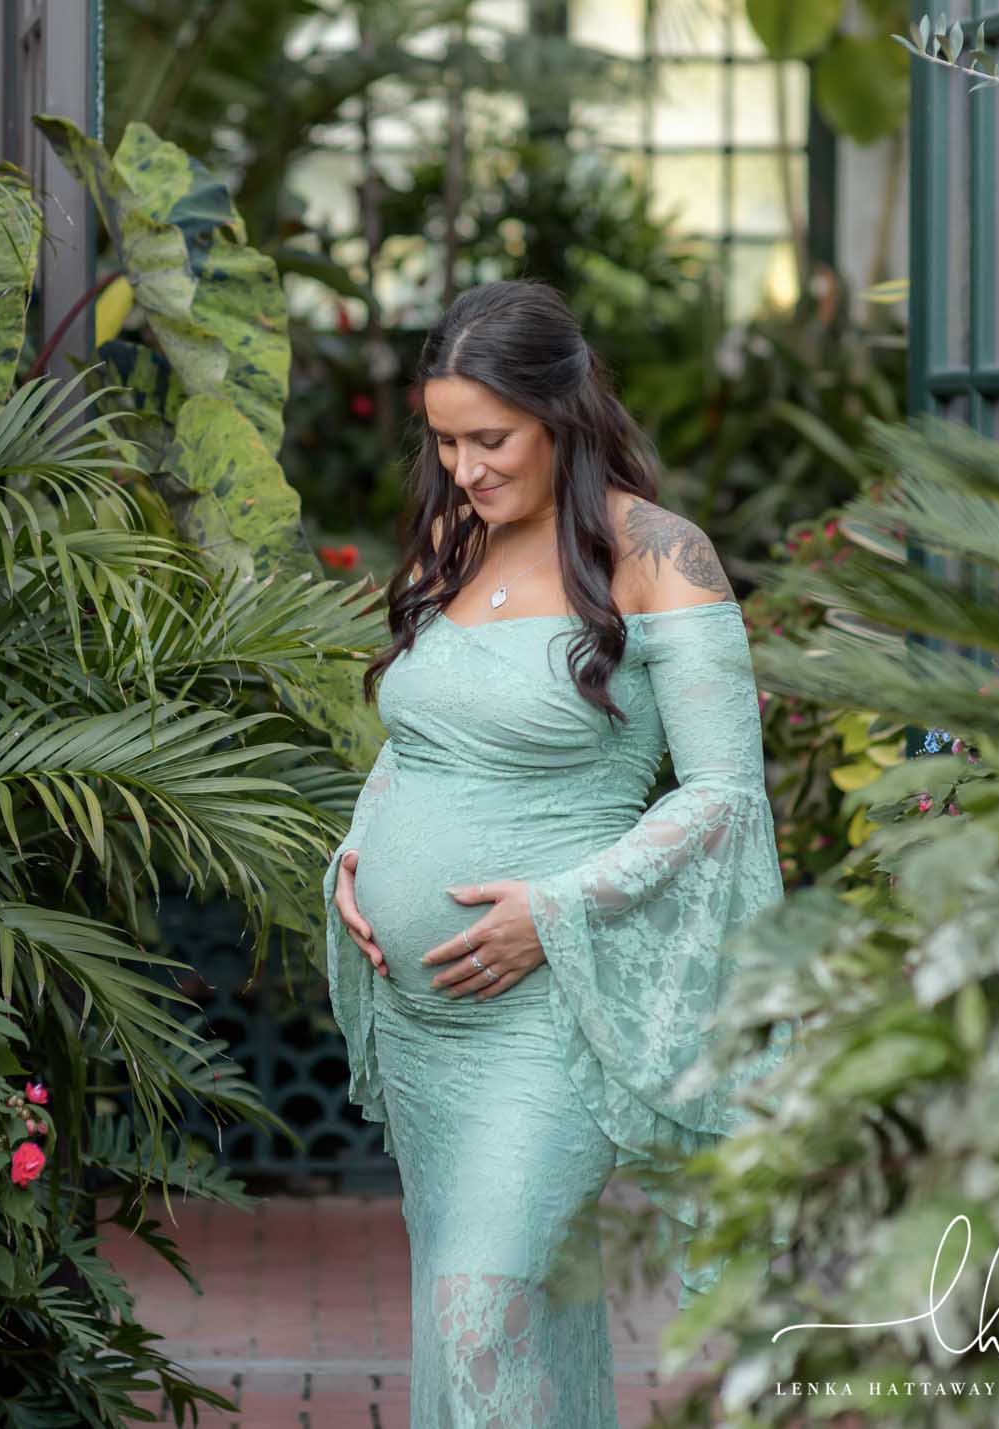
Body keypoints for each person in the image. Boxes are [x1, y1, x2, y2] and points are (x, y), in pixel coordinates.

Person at [322, 278, 790, 1426]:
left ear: (561, 415)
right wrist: (356, 851)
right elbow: (418, 738)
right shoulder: (453, 535)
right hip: (420, 1021)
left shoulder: (658, 555)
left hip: (552, 1003)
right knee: (479, 1310)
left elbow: (723, 792)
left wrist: (557, 907)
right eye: (444, 441)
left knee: (479, 1305)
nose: (464, 469)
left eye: (489, 439)